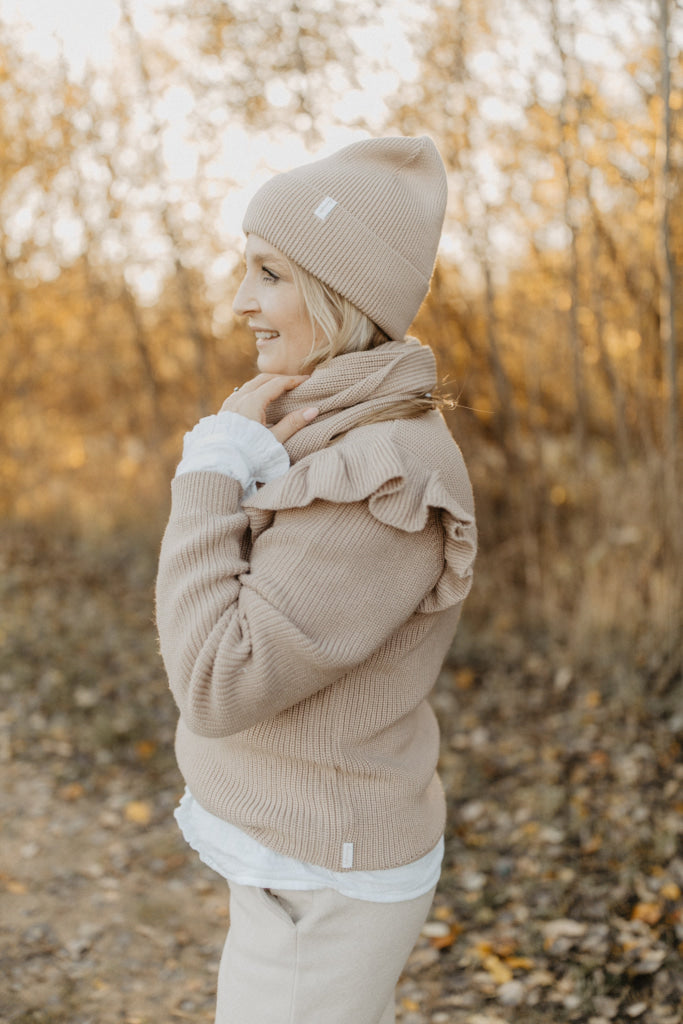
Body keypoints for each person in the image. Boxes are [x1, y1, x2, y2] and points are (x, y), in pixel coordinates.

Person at [155, 135, 477, 1024]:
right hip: (297, 860)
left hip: (323, 883)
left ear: (341, 296)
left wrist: (211, 470)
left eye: (268, 274)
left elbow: (218, 682)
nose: (238, 303)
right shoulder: (328, 430)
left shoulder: (384, 471)